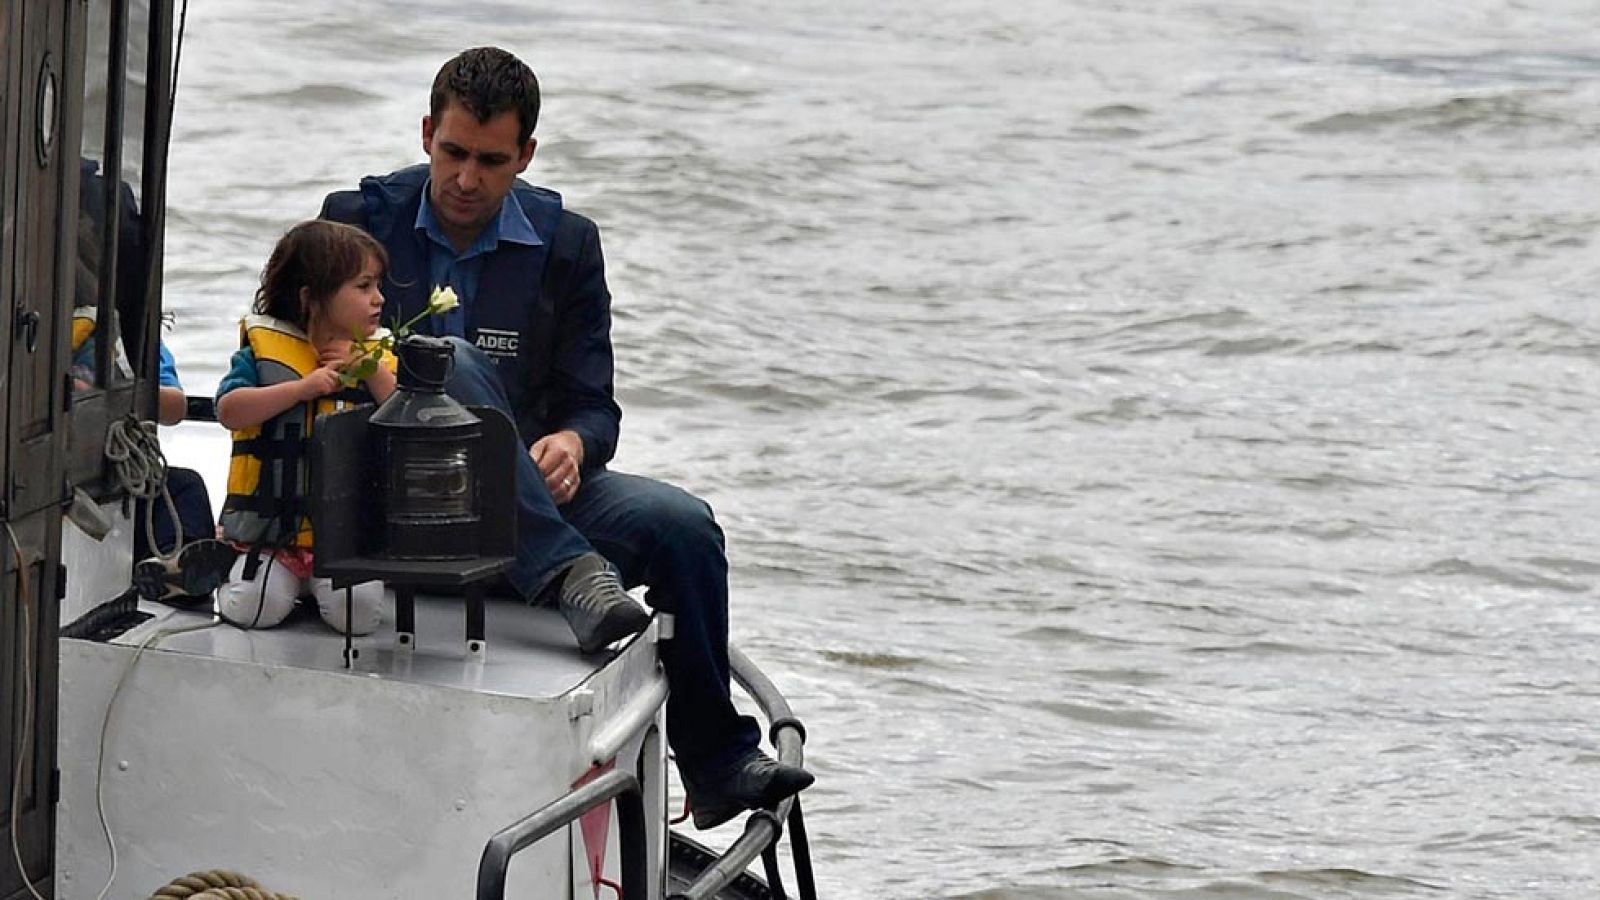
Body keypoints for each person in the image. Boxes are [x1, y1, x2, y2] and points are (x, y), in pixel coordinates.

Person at [320, 47, 813, 829]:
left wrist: (574, 446)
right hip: (399, 500)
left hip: (527, 507)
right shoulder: (357, 221)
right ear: (425, 135)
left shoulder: (568, 242)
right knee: (454, 361)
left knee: (685, 526)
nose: (467, 179)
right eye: (452, 153)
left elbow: (595, 407)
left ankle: (715, 758)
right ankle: (568, 575)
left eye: (490, 160)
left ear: (526, 155)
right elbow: (303, 350)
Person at [213, 220, 396, 635]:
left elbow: (406, 416)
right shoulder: (260, 353)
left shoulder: (377, 360)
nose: (378, 298)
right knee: (252, 610)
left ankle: (317, 590)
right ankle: (235, 569)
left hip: (346, 542)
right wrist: (300, 389)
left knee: (359, 617)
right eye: (363, 286)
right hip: (271, 539)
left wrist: (371, 372)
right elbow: (229, 411)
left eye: (377, 285)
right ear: (310, 298)